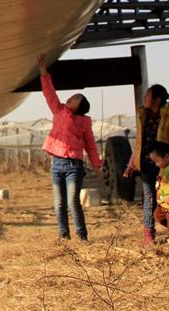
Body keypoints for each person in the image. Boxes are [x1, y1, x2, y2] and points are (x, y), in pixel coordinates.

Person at [37, 53, 102, 241]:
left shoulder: (84, 123)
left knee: (73, 202)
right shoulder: (59, 111)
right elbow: (50, 93)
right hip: (57, 163)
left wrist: (97, 164)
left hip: (74, 165)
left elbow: (90, 144)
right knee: (58, 203)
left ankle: (82, 236)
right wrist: (43, 72)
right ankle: (63, 235)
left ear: (77, 106)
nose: (69, 99)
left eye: (73, 99)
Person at [122, 84, 169, 246]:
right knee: (149, 199)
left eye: (147, 96)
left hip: (164, 167)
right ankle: (149, 235)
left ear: (156, 100)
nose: (144, 99)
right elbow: (139, 144)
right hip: (146, 166)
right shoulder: (144, 116)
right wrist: (131, 164)